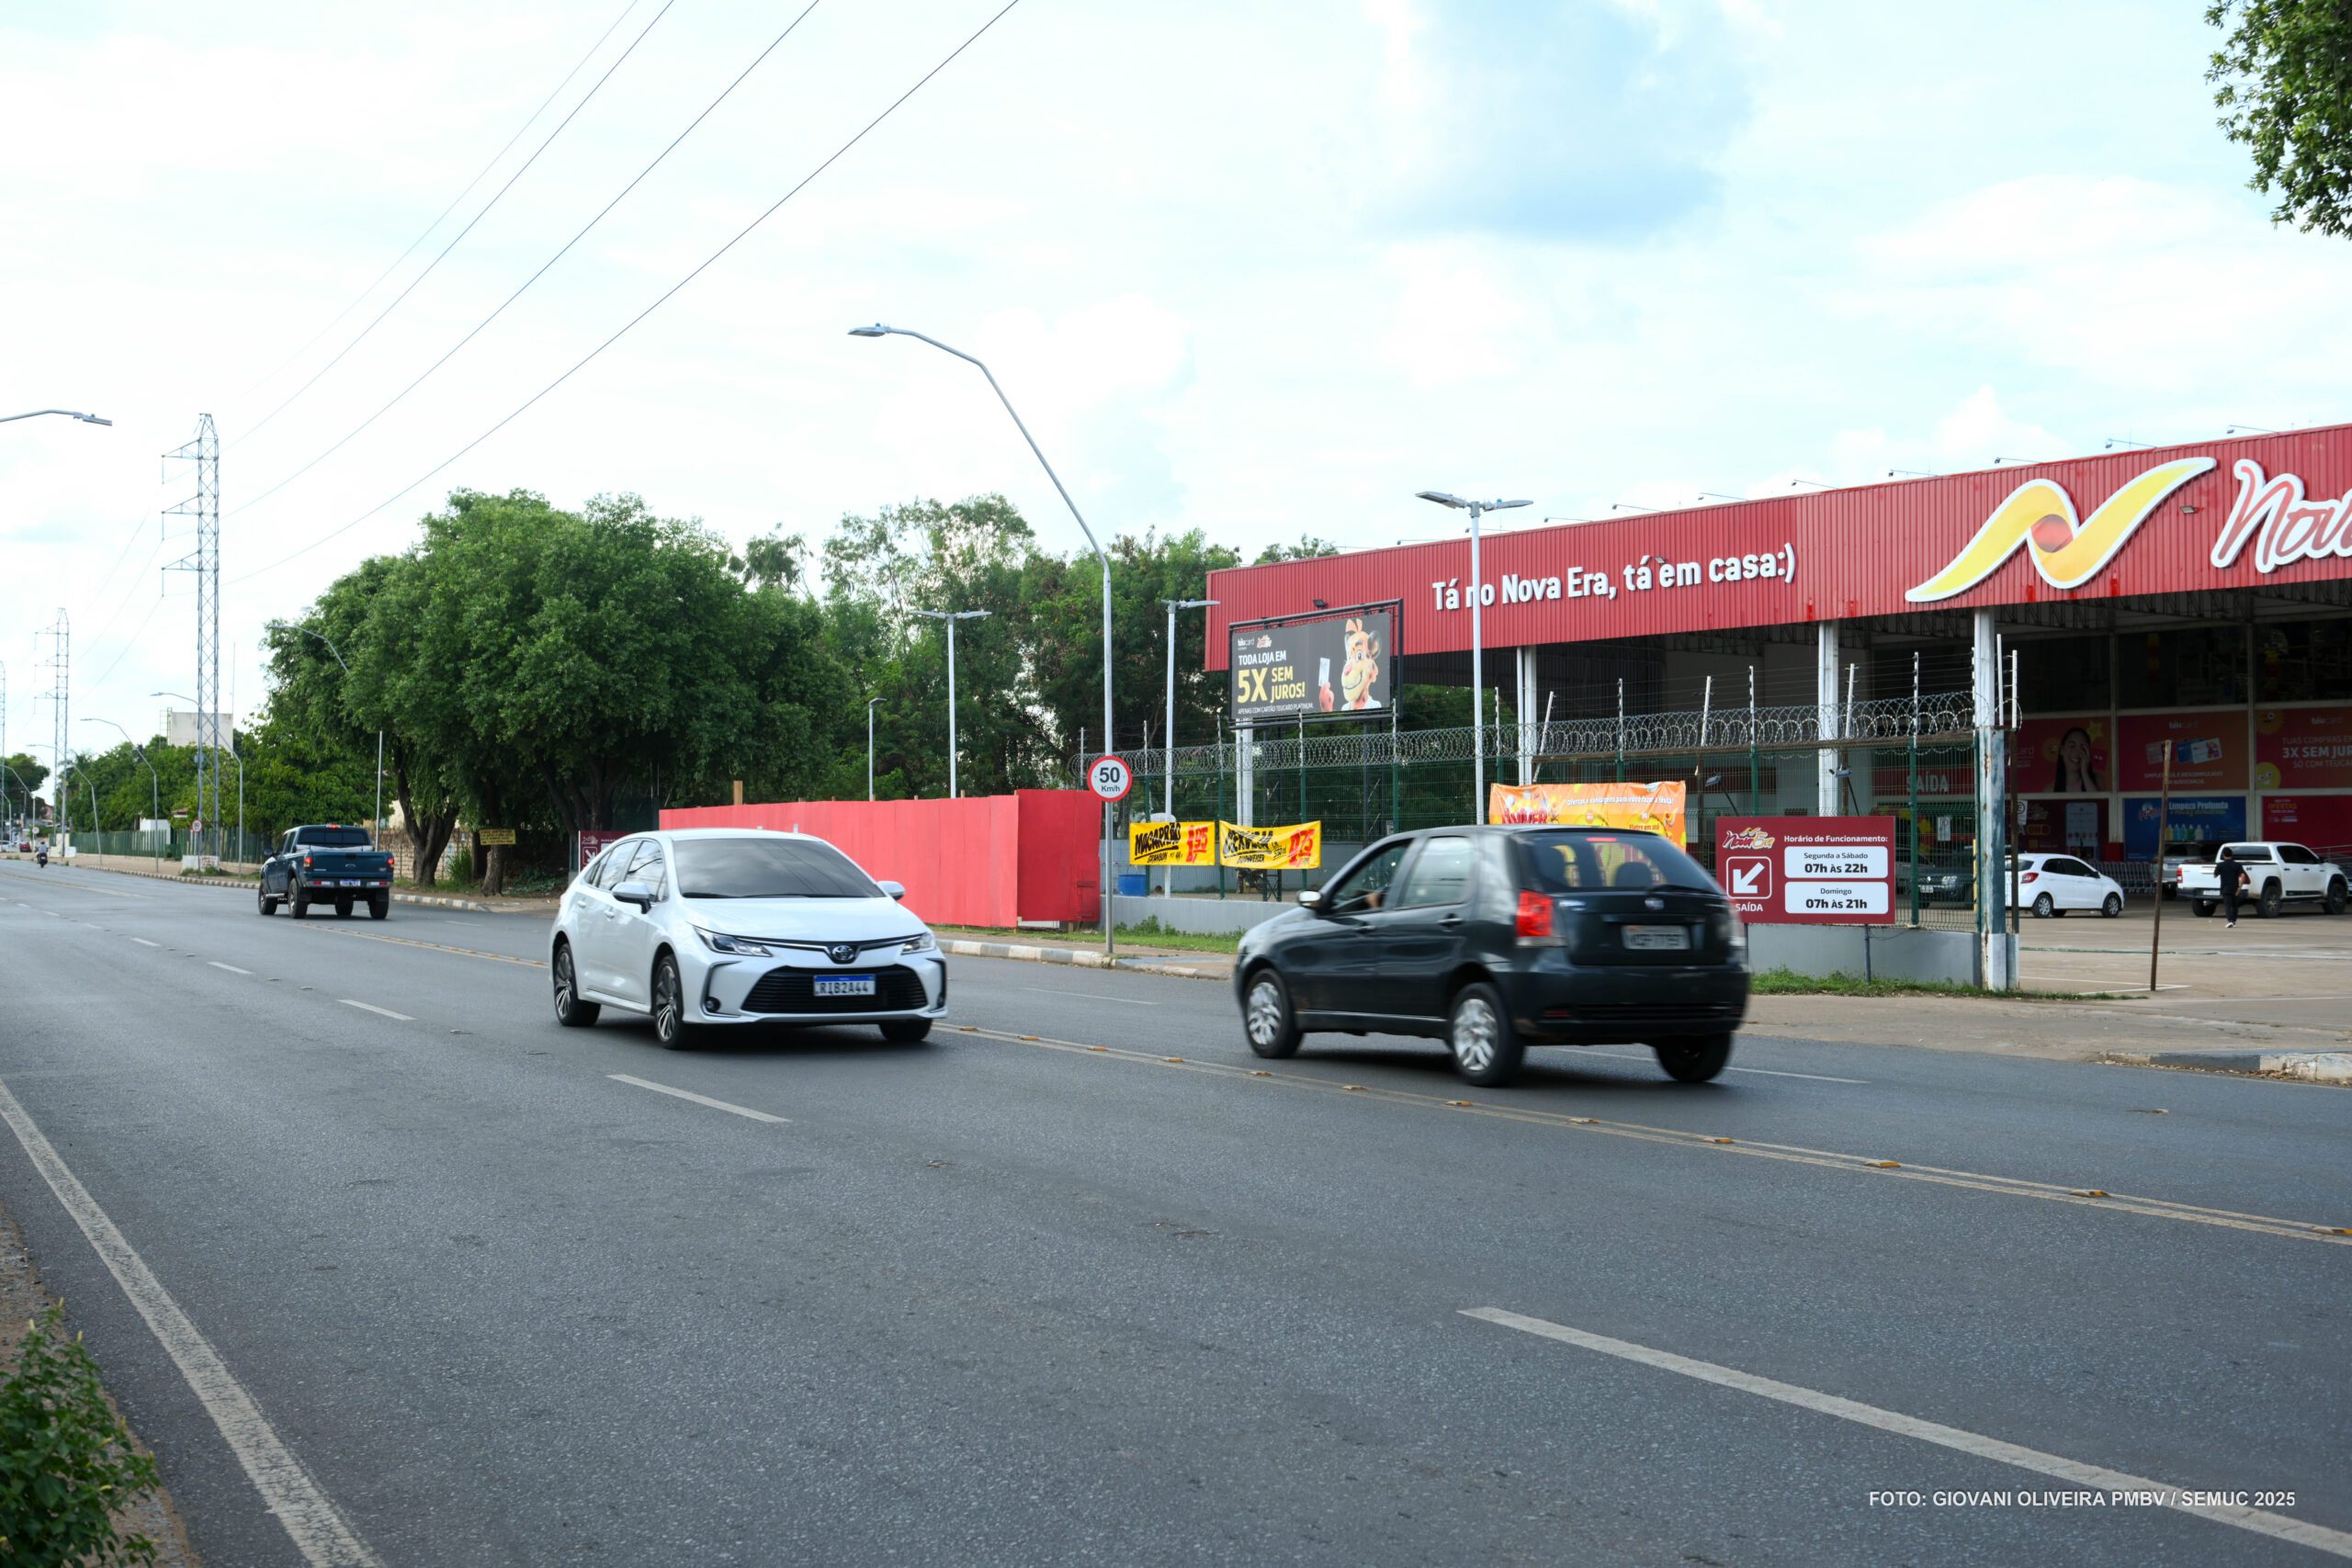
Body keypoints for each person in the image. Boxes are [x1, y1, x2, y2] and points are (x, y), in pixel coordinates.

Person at [2052, 726, 2103, 793]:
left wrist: (2085, 773)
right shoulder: (2050, 789)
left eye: (2083, 748)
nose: (2077, 752)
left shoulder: (2097, 780)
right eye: (2072, 746)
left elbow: (2097, 802)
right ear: (2062, 749)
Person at [2219, 845, 2248, 928]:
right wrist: (2240, 887)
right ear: (2232, 854)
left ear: (2223, 855)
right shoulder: (2237, 865)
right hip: (2235, 888)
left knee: (2228, 905)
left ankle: (2230, 920)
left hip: (2225, 888)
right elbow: (2243, 876)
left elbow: (2215, 875)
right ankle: (2234, 921)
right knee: (2235, 905)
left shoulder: (2220, 865)